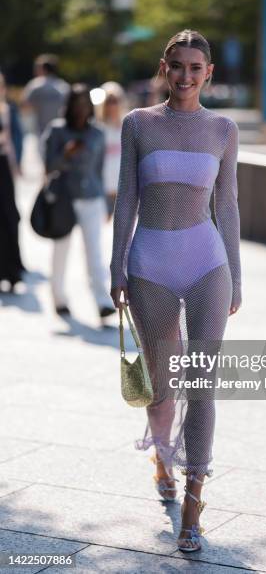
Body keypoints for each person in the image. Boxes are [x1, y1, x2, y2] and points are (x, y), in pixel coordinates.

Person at [110, 29, 242, 552]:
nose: (186, 77)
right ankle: (162, 455)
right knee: (162, 382)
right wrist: (116, 265)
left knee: (202, 383)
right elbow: (127, 201)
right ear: (164, 67)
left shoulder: (224, 129)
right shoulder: (138, 125)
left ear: (209, 73)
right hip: (149, 266)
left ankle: (193, 501)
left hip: (208, 263)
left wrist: (237, 273)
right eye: (177, 66)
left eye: (196, 68)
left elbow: (227, 205)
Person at [41, 83, 115, 319]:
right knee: (61, 251)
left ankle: (102, 301)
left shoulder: (98, 133)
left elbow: (100, 169)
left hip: (92, 198)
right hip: (64, 198)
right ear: (69, 106)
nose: (82, 108)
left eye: (86, 103)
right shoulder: (57, 130)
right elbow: (48, 166)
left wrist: (106, 203)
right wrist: (66, 154)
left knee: (94, 253)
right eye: (77, 103)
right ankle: (59, 297)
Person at [0, 72, 25, 290]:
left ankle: (13, 269)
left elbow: (16, 140)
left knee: (10, 216)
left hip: (5, 169)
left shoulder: (8, 110)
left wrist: (18, 166)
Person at [97, 82, 126, 218]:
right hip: (104, 184)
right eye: (109, 101)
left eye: (115, 101)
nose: (112, 105)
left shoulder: (128, 124)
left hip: (123, 185)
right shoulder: (98, 127)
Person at [22, 54, 69, 136]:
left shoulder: (35, 85)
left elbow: (25, 105)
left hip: (40, 129)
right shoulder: (64, 86)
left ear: (43, 69)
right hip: (61, 130)